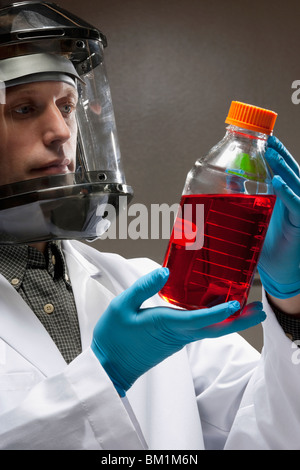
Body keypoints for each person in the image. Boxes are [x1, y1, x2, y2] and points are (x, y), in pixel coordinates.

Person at [0, 2, 299, 450]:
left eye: (66, 106)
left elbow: (270, 431)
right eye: (24, 109)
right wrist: (106, 372)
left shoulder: (151, 290)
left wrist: (292, 303)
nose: (61, 130)